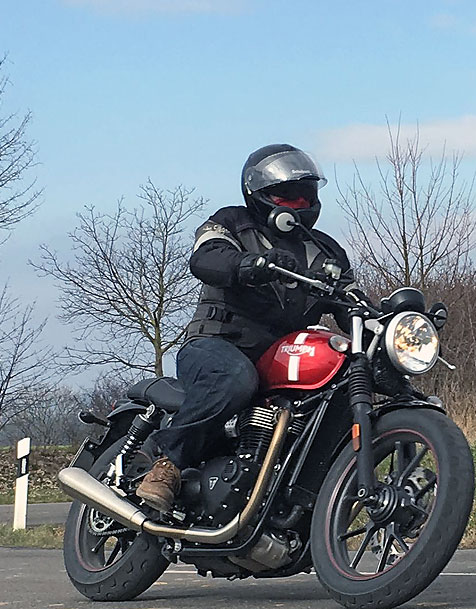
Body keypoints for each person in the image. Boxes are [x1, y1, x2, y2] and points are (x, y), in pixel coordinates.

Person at [136, 144, 357, 513]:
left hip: (281, 356)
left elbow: (350, 299)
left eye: (305, 195)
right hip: (217, 344)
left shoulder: (326, 251)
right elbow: (207, 256)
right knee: (234, 379)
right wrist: (247, 264)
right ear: (259, 194)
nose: (298, 202)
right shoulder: (233, 221)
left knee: (341, 385)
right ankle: (167, 463)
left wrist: (393, 325)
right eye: (286, 194)